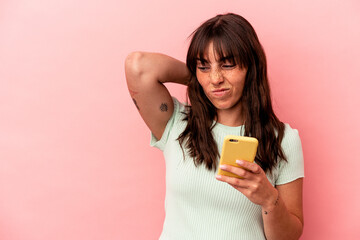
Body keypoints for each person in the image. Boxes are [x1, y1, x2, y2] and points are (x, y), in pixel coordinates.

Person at [125, 13, 304, 240]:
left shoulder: (284, 139)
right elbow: (137, 65)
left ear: (252, 67)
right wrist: (203, 81)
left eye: (227, 64)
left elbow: (289, 236)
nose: (216, 77)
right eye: (204, 66)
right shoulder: (177, 123)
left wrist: (269, 199)